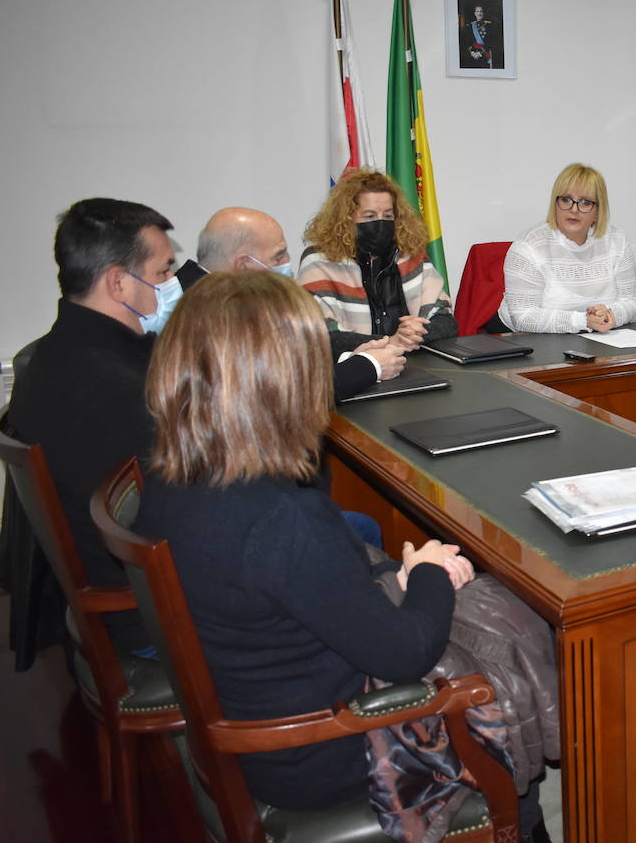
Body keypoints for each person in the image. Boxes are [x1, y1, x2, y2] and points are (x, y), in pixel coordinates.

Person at [130, 272, 496, 825]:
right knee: (506, 647)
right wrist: (427, 573)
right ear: (283, 378)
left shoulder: (172, 469)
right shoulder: (281, 516)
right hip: (321, 752)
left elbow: (298, 590)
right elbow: (404, 654)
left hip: (257, 713)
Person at [8, 197, 177, 652]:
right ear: (119, 283)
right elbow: (185, 516)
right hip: (147, 609)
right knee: (335, 534)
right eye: (163, 272)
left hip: (121, 581)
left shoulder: (51, 354)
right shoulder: (115, 389)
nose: (171, 283)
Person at [180, 206, 406, 401]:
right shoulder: (199, 312)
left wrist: (349, 359)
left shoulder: (222, 295)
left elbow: (281, 366)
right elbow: (277, 393)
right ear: (243, 264)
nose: (287, 263)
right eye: (278, 257)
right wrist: (368, 366)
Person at [298, 168, 458, 347]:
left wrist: (415, 333)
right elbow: (321, 335)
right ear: (346, 218)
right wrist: (390, 342)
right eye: (370, 216)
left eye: (388, 215)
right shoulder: (320, 261)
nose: (381, 222)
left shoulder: (410, 254)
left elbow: (445, 321)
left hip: (411, 365)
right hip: (353, 369)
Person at [499, 163, 636, 333]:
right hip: (520, 339)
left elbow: (629, 302)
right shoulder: (528, 247)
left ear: (598, 211)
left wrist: (609, 315)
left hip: (595, 337)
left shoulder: (617, 241)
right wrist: (583, 321)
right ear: (555, 203)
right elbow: (523, 317)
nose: (574, 209)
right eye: (566, 200)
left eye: (585, 202)